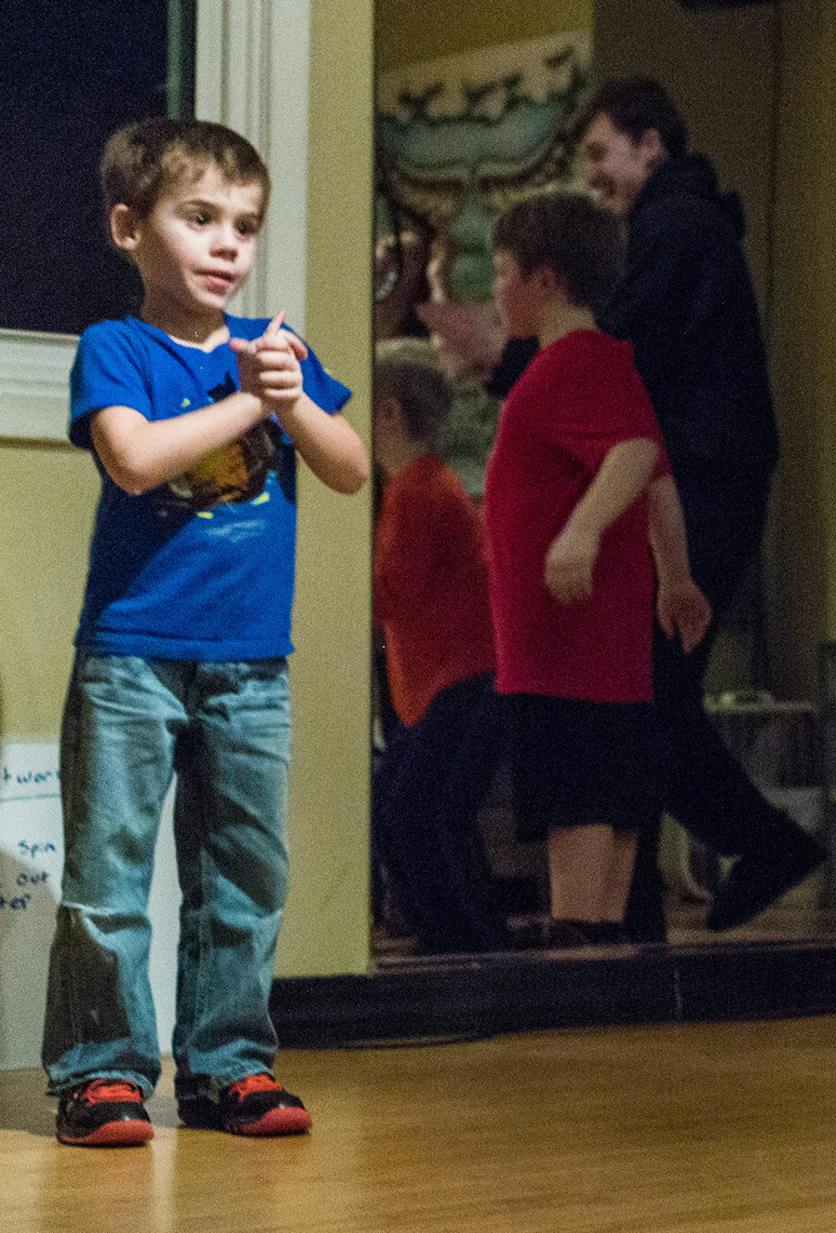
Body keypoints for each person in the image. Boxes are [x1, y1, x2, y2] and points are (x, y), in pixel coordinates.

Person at [45, 118, 369, 1146]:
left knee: (244, 873)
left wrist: (291, 399)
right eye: (200, 218)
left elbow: (350, 464)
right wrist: (245, 403)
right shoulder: (119, 348)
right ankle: (101, 1069)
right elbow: (136, 460)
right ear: (129, 228)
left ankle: (230, 1062)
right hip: (132, 657)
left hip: (251, 666)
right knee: (109, 876)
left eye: (246, 224)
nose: (229, 244)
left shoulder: (272, 355)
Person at [571, 77, 825, 941]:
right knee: (655, 687)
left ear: (651, 144)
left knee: (647, 683)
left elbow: (623, 341)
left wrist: (520, 356)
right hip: (712, 476)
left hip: (704, 478)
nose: (596, 175)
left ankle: (713, 868)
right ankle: (714, 866)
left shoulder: (675, 226)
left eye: (602, 154)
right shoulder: (686, 223)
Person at [481, 191, 710, 946]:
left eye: (503, 271)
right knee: (607, 794)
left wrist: (579, 533)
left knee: (576, 796)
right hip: (597, 649)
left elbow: (636, 457)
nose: (495, 288)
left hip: (561, 646)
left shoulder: (568, 366)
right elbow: (660, 480)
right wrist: (675, 577)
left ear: (544, 281)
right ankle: (601, 950)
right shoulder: (606, 365)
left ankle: (578, 949)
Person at [370, 340, 506, 955]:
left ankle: (463, 945)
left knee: (414, 813)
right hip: (460, 678)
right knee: (423, 812)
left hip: (464, 677)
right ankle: (465, 940)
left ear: (391, 413)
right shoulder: (424, 486)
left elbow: (386, 596)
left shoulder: (416, 493)